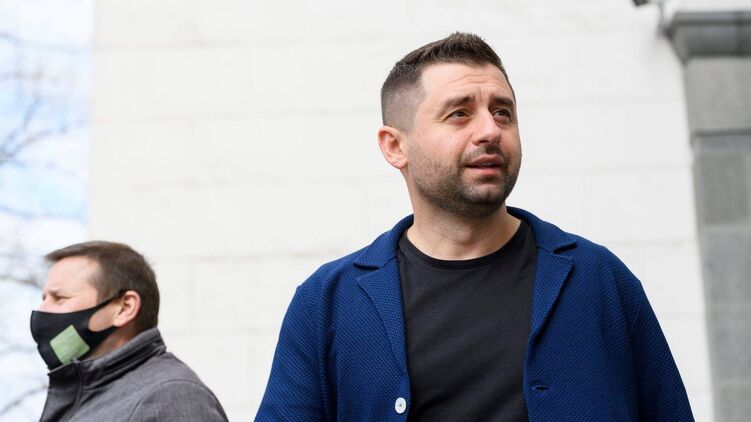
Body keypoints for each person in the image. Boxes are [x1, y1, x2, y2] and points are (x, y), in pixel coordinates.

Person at [256, 32, 694, 421]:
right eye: (459, 114)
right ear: (395, 146)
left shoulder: (598, 280)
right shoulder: (328, 303)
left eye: (503, 113)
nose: (490, 131)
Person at [31, 241, 228, 421]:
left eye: (60, 298)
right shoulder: (86, 396)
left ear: (125, 308)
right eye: (44, 298)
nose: (42, 310)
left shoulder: (172, 396)